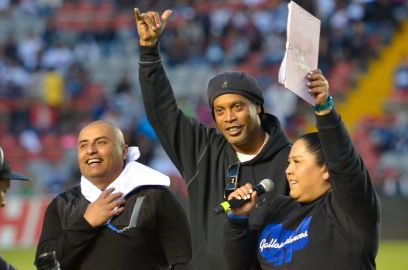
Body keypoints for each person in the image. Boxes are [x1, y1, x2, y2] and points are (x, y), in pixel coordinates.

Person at [134, 8, 291, 269]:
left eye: (237, 107)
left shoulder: (291, 159)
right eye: (220, 110)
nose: (228, 117)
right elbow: (163, 112)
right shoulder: (202, 150)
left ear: (259, 108)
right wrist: (149, 52)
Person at [223, 70, 381, 269]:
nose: (288, 170)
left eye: (297, 162)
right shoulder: (276, 209)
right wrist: (237, 221)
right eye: (289, 163)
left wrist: (324, 108)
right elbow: (241, 266)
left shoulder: (349, 210)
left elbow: (344, 162)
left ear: (326, 169)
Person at [35, 120, 191, 270]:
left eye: (101, 142)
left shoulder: (157, 197)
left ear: (123, 151)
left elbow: (185, 261)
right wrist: (86, 224)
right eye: (83, 145)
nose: (90, 151)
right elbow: (44, 264)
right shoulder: (61, 205)